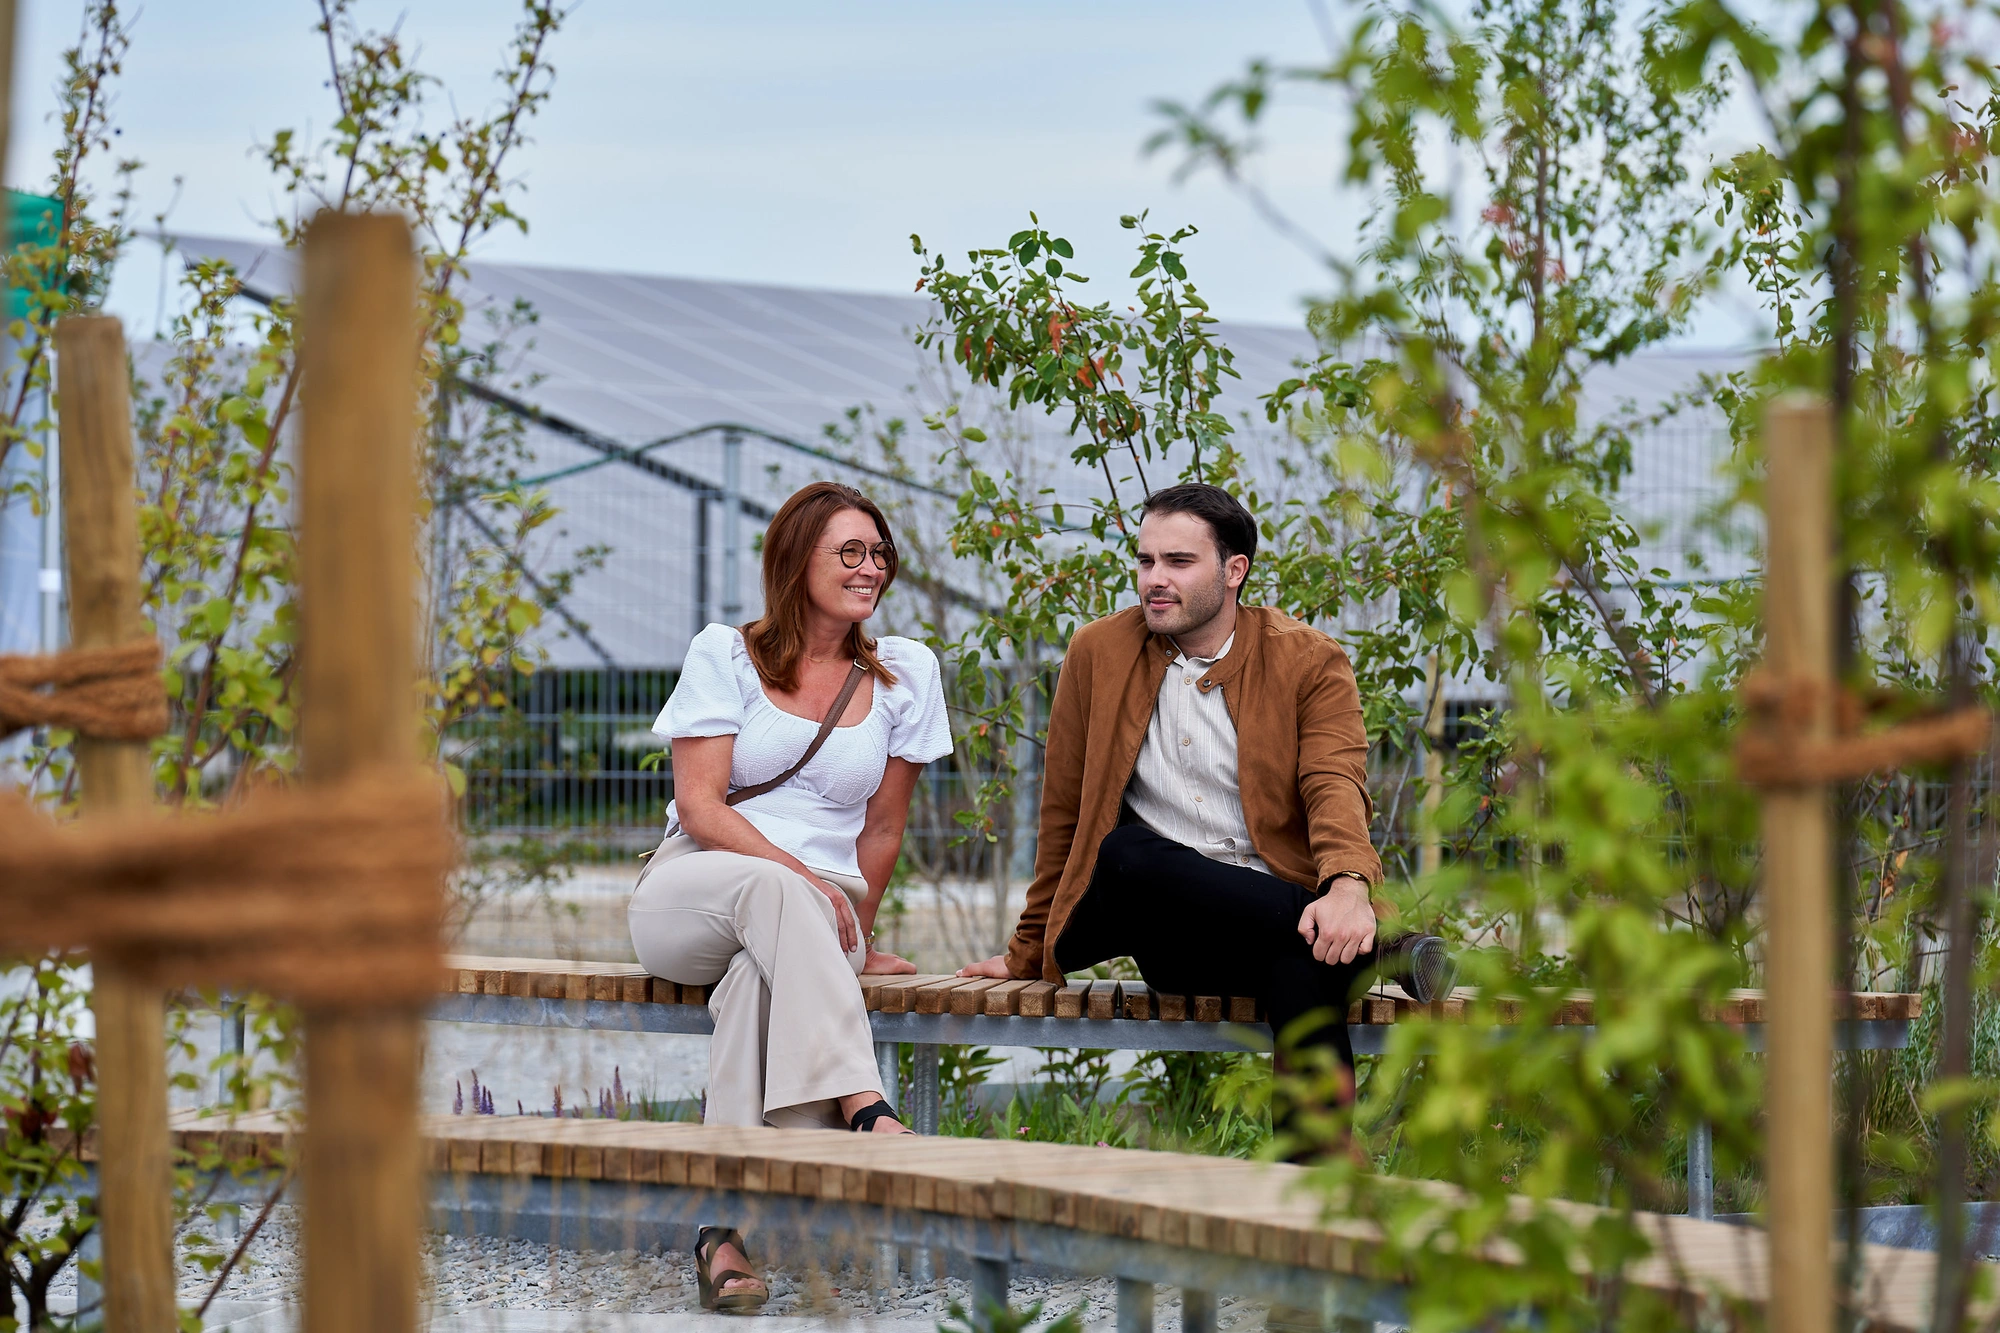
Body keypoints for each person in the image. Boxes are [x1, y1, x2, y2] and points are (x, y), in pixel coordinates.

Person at [959, 482, 1450, 1096]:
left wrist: (1348, 885)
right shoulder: (1098, 652)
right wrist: (1028, 951)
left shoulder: (1307, 660)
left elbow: (1334, 782)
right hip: (1170, 926)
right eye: (1145, 560)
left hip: (1282, 924)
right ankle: (1380, 949)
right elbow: (1062, 810)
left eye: (1179, 562)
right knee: (1125, 853)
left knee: (1303, 967)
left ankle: (1315, 1181)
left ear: (1235, 570)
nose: (1154, 579)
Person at [629, 480, 951, 1312]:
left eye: (880, 552)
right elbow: (700, 804)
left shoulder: (907, 672)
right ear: (794, 557)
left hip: (819, 914)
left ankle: (718, 1235)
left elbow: (881, 830)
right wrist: (801, 878)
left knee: (752, 986)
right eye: (851, 551)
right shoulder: (724, 653)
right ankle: (860, 1105)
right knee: (774, 893)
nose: (871, 567)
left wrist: (858, 933)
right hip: (694, 886)